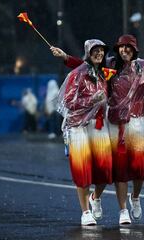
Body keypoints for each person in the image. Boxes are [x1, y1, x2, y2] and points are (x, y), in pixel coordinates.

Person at [51, 34, 144, 224]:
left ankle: (116, 197)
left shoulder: (133, 68)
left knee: (119, 169)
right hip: (94, 125)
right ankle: (94, 209)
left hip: (118, 124)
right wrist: (66, 58)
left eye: (128, 47)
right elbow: (83, 68)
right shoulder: (102, 67)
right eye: (121, 47)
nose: (125, 50)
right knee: (96, 169)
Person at [56, 39, 113, 226]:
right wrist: (91, 100)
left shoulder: (104, 74)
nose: (99, 54)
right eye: (95, 51)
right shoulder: (78, 74)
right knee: (82, 169)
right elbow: (68, 103)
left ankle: (95, 197)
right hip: (78, 126)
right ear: (88, 52)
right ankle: (85, 212)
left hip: (98, 125)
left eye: (102, 51)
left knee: (105, 169)